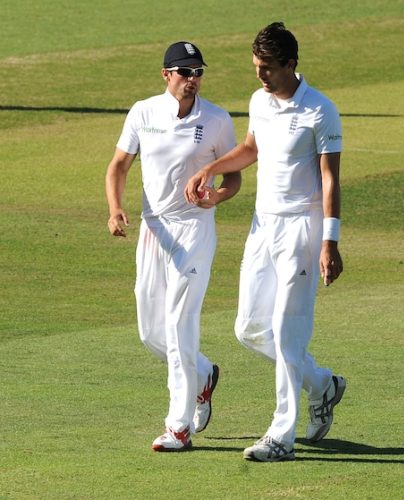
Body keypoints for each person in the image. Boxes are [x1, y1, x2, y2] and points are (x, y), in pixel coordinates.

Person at [185, 22, 346, 462]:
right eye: (256, 67)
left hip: (302, 230)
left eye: (268, 68)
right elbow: (252, 148)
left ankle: (281, 436)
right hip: (263, 226)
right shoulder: (259, 101)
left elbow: (331, 178)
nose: (260, 76)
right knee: (249, 328)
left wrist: (330, 241)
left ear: (291, 64)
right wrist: (211, 169)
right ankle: (324, 386)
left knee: (290, 337)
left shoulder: (320, 110)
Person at [105, 41, 241, 452]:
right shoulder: (143, 112)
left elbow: (234, 177)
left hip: (194, 230)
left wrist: (218, 197)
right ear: (166, 75)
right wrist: (115, 209)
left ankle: (178, 427)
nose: (192, 79)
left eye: (198, 72)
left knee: (181, 327)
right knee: (151, 333)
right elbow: (118, 166)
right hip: (153, 230)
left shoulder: (216, 119)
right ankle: (203, 375)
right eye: (184, 72)